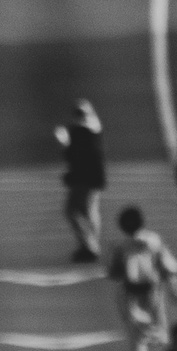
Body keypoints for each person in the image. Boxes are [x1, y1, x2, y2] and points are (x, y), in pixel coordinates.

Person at [104, 204, 177, 351]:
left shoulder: (119, 246)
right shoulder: (154, 241)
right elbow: (168, 267)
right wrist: (174, 288)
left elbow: (112, 272)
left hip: (130, 292)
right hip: (152, 290)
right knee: (157, 327)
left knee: (135, 329)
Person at [56, 99, 108, 260]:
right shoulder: (94, 128)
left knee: (73, 211)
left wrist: (64, 143)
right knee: (89, 211)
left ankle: (90, 246)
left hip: (84, 178)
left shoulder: (81, 131)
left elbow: (74, 156)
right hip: (94, 177)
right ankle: (90, 246)